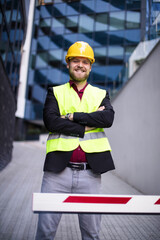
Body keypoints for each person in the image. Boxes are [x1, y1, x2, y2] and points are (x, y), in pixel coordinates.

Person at [35, 41, 115, 240]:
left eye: (85, 61)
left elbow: (107, 119)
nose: (80, 65)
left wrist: (71, 116)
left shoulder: (101, 94)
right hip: (56, 174)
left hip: (91, 175)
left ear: (90, 66)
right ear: (68, 64)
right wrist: (88, 122)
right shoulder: (55, 92)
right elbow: (51, 123)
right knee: (45, 233)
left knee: (91, 234)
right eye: (76, 60)